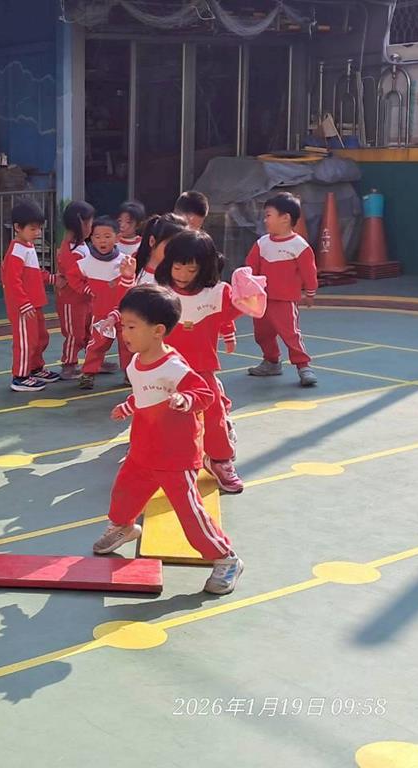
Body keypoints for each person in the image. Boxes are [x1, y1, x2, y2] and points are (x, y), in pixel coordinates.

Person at [92, 284, 244, 595]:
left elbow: (203, 393)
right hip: (143, 450)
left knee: (190, 514)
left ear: (158, 331)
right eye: (123, 326)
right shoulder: (136, 362)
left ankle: (226, 558)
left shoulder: (173, 366)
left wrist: (186, 400)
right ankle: (123, 527)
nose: (124, 333)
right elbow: (145, 394)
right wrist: (128, 407)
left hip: (175, 456)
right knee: (124, 494)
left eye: (131, 327)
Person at [154, 230, 261, 494]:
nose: (182, 274)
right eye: (177, 266)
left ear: (204, 268)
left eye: (191, 269)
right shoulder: (159, 291)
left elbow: (245, 308)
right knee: (156, 416)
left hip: (201, 370)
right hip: (163, 370)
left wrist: (248, 288)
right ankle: (150, 457)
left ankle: (219, 460)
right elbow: (136, 314)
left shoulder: (217, 293)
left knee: (214, 416)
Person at [245, 192, 318, 387]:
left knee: (290, 334)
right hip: (261, 300)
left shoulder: (299, 246)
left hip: (284, 300)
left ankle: (303, 366)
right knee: (262, 334)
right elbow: (250, 267)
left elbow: (309, 272)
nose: (265, 220)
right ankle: (271, 362)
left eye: (268, 215)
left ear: (285, 218)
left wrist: (310, 292)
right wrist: (246, 286)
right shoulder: (262, 243)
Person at [1, 199, 61, 392]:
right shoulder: (17, 250)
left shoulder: (27, 246)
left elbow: (33, 273)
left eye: (39, 228)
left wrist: (51, 278)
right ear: (18, 227)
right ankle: (20, 376)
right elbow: (12, 281)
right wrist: (23, 303)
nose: (38, 233)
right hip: (24, 307)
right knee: (26, 341)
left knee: (40, 337)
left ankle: (35, 367)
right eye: (33, 229)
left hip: (34, 303)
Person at [77, 216, 136, 390]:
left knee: (128, 345)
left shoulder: (125, 261)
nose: (102, 240)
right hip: (101, 313)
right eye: (97, 236)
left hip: (125, 314)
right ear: (91, 239)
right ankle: (88, 373)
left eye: (107, 236)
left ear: (117, 238)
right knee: (97, 344)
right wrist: (86, 289)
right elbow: (73, 277)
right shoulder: (86, 262)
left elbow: (130, 286)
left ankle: (130, 374)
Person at [55, 201, 95, 380]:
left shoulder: (80, 245)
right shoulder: (71, 250)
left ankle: (93, 359)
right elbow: (73, 279)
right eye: (90, 223)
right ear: (82, 224)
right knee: (74, 333)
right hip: (72, 300)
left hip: (84, 299)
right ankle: (69, 364)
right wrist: (89, 288)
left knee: (88, 330)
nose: (91, 228)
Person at [135, 212, 187, 286]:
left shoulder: (181, 279)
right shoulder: (129, 266)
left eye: (180, 246)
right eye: (169, 244)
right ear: (152, 241)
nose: (175, 250)